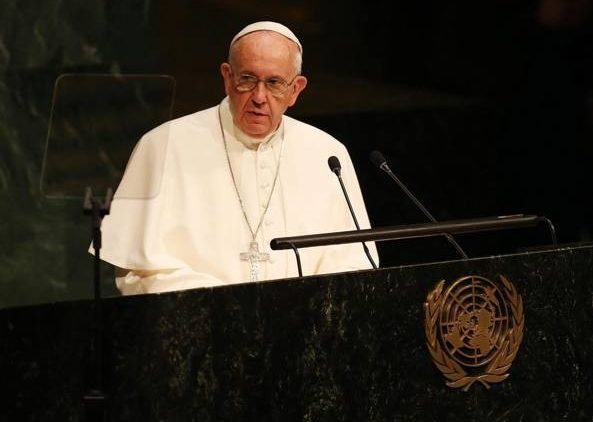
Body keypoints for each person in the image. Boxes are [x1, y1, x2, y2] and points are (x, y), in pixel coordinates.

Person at [93, 21, 378, 295]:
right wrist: (227, 308)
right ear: (227, 77)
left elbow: (354, 265)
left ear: (296, 90)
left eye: (275, 82)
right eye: (247, 79)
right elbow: (137, 274)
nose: (259, 96)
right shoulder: (164, 146)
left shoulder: (326, 154)